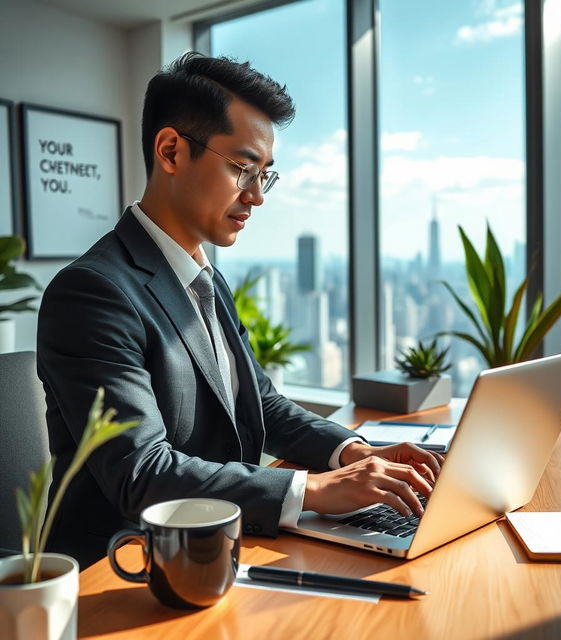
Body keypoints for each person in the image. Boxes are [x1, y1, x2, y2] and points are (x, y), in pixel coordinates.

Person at [37, 53, 443, 569]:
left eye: (264, 176)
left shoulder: (206, 280)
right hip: (127, 569)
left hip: (221, 547)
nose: (256, 197)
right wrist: (312, 489)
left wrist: (353, 454)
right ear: (170, 151)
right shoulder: (92, 292)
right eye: (242, 169)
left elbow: (263, 405)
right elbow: (143, 472)